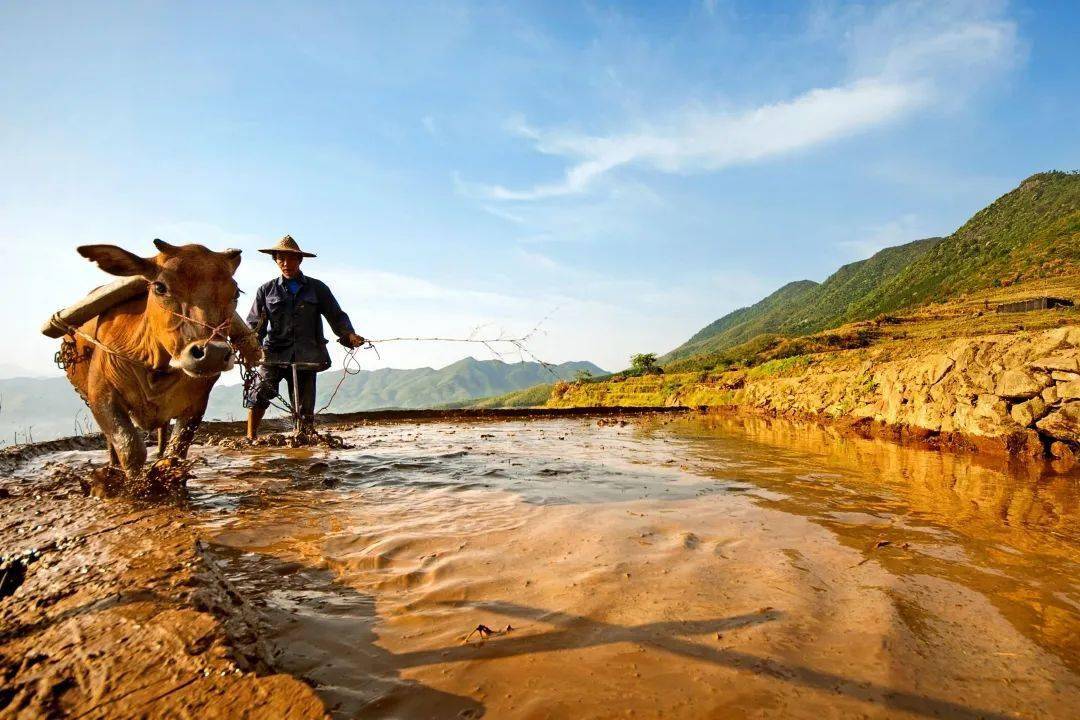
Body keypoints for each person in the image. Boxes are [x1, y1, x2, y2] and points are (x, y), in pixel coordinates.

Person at [245, 235, 365, 439]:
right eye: (281, 258)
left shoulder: (317, 288)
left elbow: (336, 315)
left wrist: (349, 335)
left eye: (291, 258)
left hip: (306, 354)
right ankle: (250, 437)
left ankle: (303, 441)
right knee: (259, 394)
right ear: (275, 260)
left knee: (304, 407)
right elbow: (255, 325)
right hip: (274, 354)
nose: (286, 263)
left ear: (300, 260)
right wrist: (248, 347)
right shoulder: (266, 290)